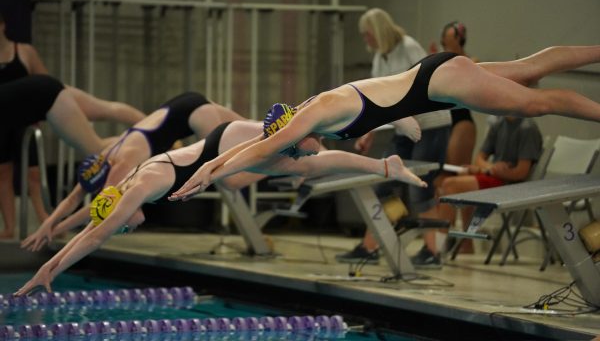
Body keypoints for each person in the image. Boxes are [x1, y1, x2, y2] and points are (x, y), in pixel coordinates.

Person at [15, 120, 424, 293]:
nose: (127, 228)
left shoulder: (140, 188)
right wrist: (47, 267)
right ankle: (385, 164)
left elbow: (97, 234)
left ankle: (386, 123)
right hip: (223, 154)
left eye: (124, 224)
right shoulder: (129, 189)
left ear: (120, 208)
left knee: (310, 139)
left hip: (226, 146)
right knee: (312, 164)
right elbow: (93, 228)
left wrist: (51, 268)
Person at [169, 45, 600, 202]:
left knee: (536, 103)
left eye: (296, 148)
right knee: (528, 69)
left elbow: (260, 149)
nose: (303, 155)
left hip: (441, 81)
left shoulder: (319, 113)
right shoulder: (322, 114)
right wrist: (399, 123)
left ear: (296, 134)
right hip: (434, 81)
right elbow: (379, 96)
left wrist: (205, 174)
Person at [20, 92, 246, 251]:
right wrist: (47, 225)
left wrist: (58, 227)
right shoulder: (106, 155)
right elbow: (72, 199)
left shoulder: (122, 165)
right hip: (186, 102)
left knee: (231, 180)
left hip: (196, 114)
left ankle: (274, 167)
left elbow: (96, 208)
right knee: (258, 129)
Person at [0, 11, 146, 238]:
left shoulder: (24, 52)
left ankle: (147, 139)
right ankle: (155, 128)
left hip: (47, 99)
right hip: (46, 88)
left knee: (96, 149)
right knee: (106, 109)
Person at [337, 8, 452, 264]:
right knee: (385, 184)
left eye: (366, 34)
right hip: (404, 128)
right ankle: (372, 245)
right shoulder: (381, 56)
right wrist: (367, 132)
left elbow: (428, 84)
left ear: (377, 31)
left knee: (420, 189)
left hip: (431, 126)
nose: (365, 40)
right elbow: (378, 99)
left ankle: (433, 251)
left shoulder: (409, 47)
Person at [414, 116, 542, 268]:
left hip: (511, 185)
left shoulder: (527, 128)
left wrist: (489, 170)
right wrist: (489, 169)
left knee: (450, 185)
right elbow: (479, 159)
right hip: (495, 176)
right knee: (452, 182)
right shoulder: (498, 123)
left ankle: (436, 249)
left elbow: (521, 172)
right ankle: (460, 243)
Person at [413, 21, 479, 266]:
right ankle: (459, 241)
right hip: (448, 124)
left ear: (458, 39)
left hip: (462, 125)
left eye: (447, 37)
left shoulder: (467, 62)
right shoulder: (444, 60)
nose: (443, 40)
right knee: (446, 183)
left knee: (454, 182)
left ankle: (464, 241)